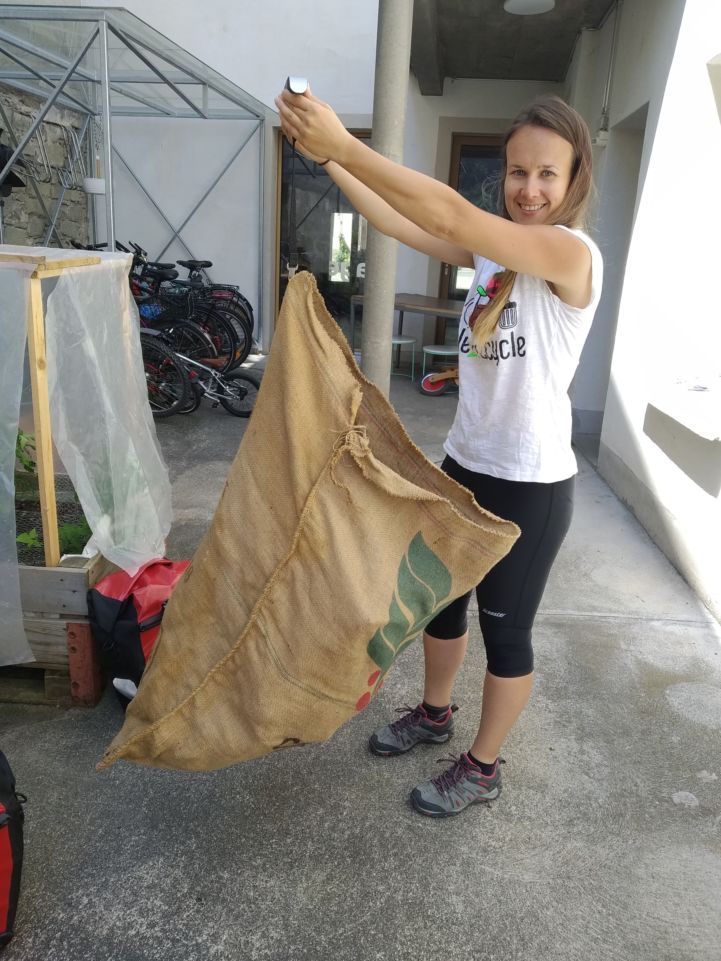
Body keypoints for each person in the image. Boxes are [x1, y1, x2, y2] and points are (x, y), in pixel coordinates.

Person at [275, 86, 603, 818]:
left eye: (546, 173)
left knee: (504, 630)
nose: (528, 188)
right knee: (440, 605)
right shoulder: (494, 257)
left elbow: (451, 211)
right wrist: (330, 159)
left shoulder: (568, 253)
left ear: (574, 177)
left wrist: (348, 141)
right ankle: (432, 713)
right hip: (464, 462)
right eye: (517, 171)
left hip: (530, 482)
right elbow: (407, 219)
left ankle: (483, 767)